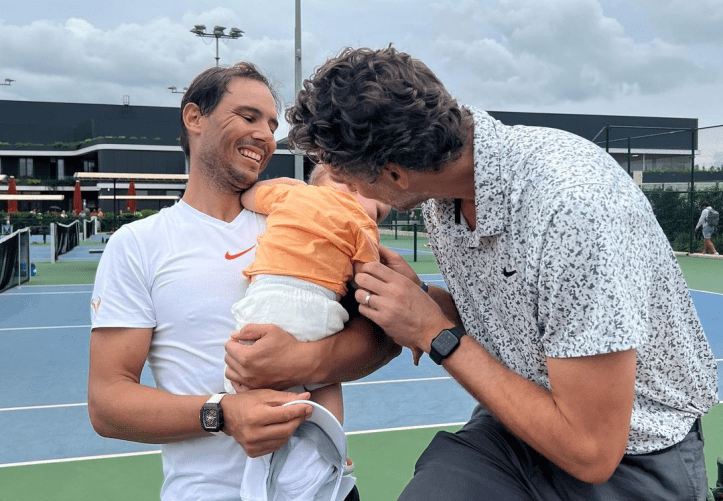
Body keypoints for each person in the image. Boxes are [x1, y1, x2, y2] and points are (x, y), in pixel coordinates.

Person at [286, 46, 719, 500]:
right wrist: (420, 299)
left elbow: (592, 451)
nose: (351, 192)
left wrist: (435, 332)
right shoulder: (442, 191)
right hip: (514, 430)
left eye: (351, 179)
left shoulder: (574, 207)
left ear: (396, 175)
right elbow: (515, 320)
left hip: (633, 453)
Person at [87, 62, 399, 501]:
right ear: (194, 118)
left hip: (323, 489)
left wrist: (302, 362)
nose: (266, 136)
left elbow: (384, 340)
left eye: (272, 125)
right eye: (248, 117)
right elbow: (108, 404)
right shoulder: (138, 244)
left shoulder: (309, 218)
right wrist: (223, 413)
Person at [229, 164, 391, 500]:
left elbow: (248, 196)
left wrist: (282, 184)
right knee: (326, 379)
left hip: (263, 298)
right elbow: (368, 280)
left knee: (244, 372)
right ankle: (332, 446)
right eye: (378, 207)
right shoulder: (361, 224)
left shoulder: (292, 193)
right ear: (356, 182)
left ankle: (259, 444)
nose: (375, 215)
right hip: (318, 305)